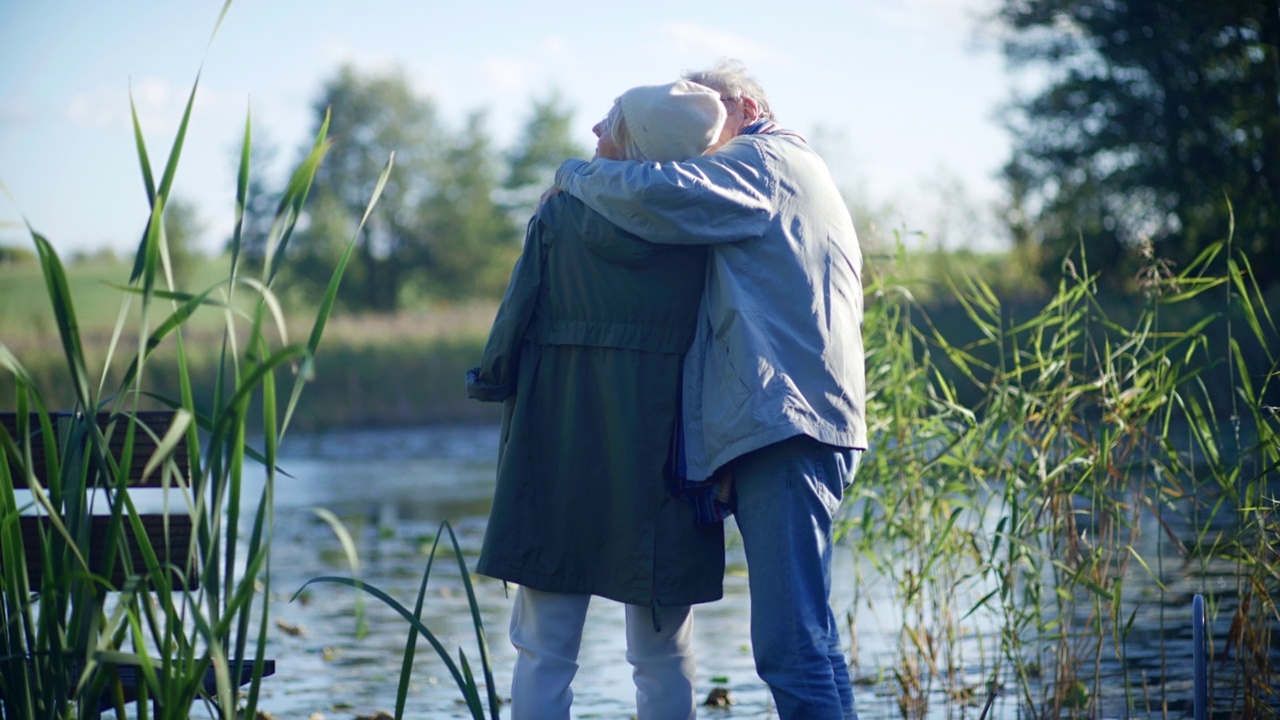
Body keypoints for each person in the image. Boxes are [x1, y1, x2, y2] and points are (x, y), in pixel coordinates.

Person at [552, 59, 868, 719]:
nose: (695, 140)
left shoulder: (763, 163)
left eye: (709, 116)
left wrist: (575, 173)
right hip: (792, 424)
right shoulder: (783, 170)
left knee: (789, 646)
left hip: (789, 427)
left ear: (747, 109)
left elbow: (661, 197)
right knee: (809, 637)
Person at [466, 80, 728, 720]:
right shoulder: (708, 231)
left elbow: (512, 324)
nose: (592, 131)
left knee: (544, 650)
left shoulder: (559, 216)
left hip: (556, 442)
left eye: (609, 123)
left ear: (633, 142)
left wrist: (491, 378)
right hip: (667, 459)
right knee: (663, 655)